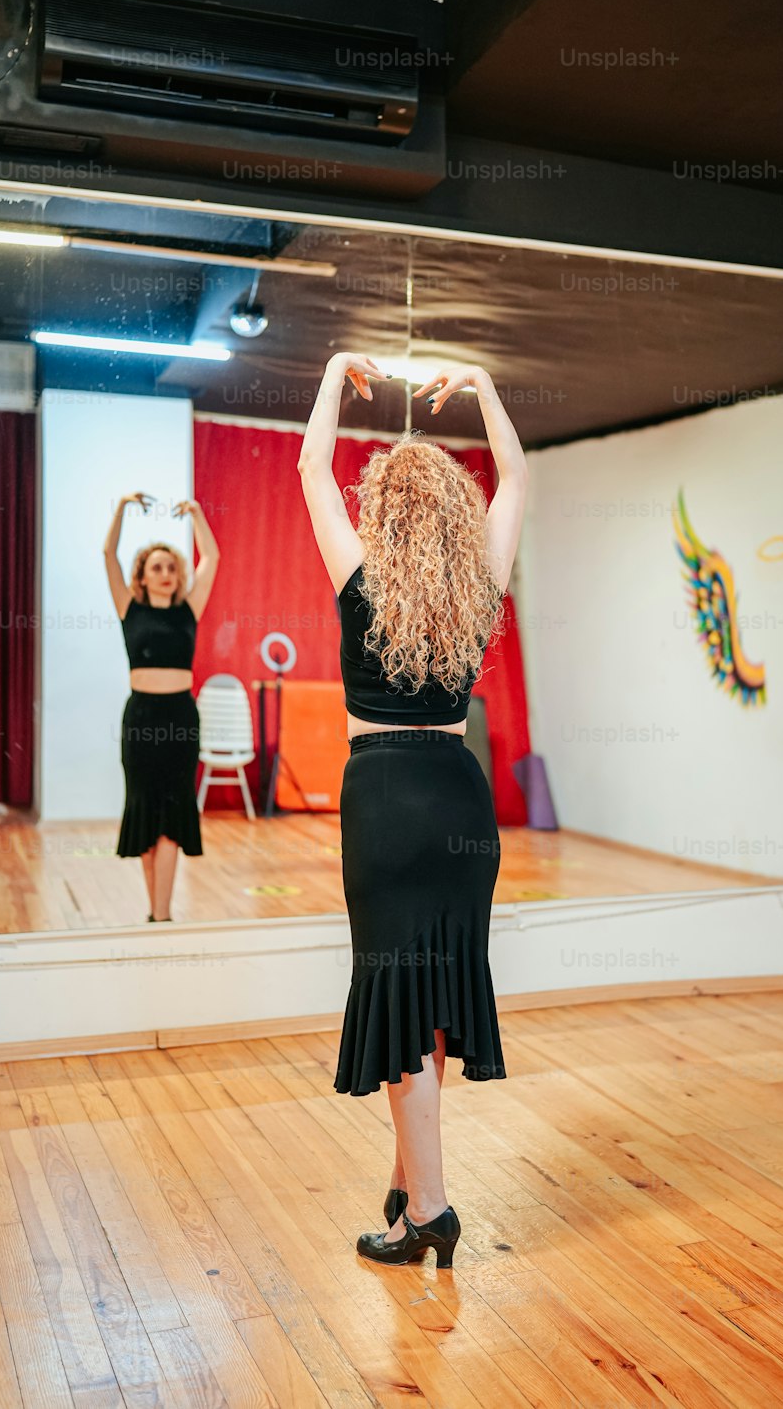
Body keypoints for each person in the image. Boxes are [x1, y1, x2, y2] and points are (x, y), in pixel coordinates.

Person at [298, 352, 528, 1268]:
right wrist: (480, 383)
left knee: (397, 1004)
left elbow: (311, 466)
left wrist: (333, 373)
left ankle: (430, 1210)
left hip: (385, 800)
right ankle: (406, 1192)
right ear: (455, 513)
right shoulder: (479, 589)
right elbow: (515, 473)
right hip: (460, 799)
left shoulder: (360, 581)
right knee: (428, 1002)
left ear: (381, 511)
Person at [103, 494, 220, 922]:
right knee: (144, 813)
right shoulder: (128, 608)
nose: (167, 574)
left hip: (179, 721)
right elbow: (108, 554)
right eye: (157, 567)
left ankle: (162, 915)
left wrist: (197, 514)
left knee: (171, 813)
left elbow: (213, 556)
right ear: (143, 575)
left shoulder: (189, 609)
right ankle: (155, 913)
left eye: (172, 567)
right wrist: (120, 508)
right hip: (140, 722)